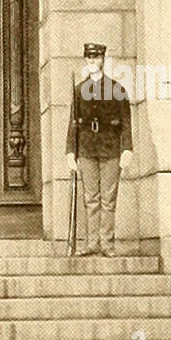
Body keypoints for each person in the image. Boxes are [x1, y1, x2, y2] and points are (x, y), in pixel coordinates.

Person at [65, 42, 133, 257]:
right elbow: (73, 122)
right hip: (86, 148)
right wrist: (70, 151)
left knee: (108, 199)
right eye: (89, 58)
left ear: (103, 59)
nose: (92, 61)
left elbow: (125, 121)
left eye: (96, 58)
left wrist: (127, 148)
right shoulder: (79, 90)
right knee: (90, 198)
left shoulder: (116, 89)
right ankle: (91, 243)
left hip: (111, 148)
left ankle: (107, 244)